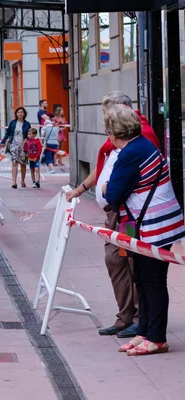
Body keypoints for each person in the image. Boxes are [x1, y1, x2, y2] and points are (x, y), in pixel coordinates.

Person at [66, 91, 161, 339]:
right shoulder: (116, 139)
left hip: (129, 216)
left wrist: (112, 190)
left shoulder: (141, 136)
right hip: (117, 214)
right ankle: (126, 316)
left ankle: (139, 319)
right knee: (117, 259)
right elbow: (103, 169)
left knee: (129, 260)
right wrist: (81, 189)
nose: (106, 123)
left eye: (109, 116)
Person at [102, 105, 185, 356]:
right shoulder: (139, 147)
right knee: (142, 278)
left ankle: (157, 337)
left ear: (116, 132)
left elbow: (113, 194)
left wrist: (106, 187)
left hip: (152, 226)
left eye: (108, 129)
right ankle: (144, 332)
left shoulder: (132, 153)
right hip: (144, 224)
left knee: (152, 280)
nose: (107, 135)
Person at [1, 107, 31, 189]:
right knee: (14, 163)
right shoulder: (12, 123)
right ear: (16, 114)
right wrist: (3, 142)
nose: (20, 113)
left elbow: (30, 134)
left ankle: (22, 181)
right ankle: (14, 182)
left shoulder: (27, 124)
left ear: (24, 114)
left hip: (23, 146)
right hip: (13, 145)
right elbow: (7, 133)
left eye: (21, 112)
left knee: (23, 164)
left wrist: (27, 140)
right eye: (18, 112)